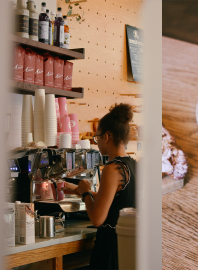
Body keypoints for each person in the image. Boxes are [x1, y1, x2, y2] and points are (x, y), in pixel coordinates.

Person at [64, 103, 136, 270]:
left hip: (109, 251)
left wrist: (86, 193)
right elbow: (115, 200)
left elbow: (97, 219)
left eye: (96, 138)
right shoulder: (133, 165)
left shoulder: (112, 169)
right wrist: (77, 190)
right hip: (126, 248)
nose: (96, 143)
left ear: (107, 136)